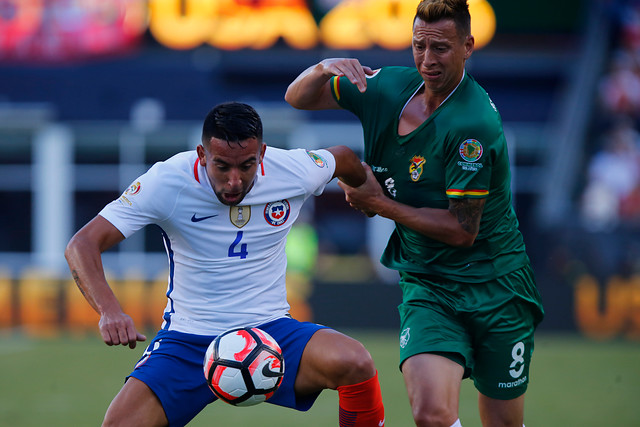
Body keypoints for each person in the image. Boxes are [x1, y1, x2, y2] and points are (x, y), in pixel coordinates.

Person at [285, 1, 544, 426]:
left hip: (498, 287)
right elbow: (297, 98)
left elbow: (463, 231)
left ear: (468, 46)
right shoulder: (385, 89)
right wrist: (321, 67)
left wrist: (379, 204)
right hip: (429, 286)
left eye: (440, 48)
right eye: (419, 46)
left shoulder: (471, 125)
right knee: (431, 416)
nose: (427, 60)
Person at [64, 102, 385, 427]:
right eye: (222, 167)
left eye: (246, 166)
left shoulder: (292, 170)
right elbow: (82, 244)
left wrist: (367, 192)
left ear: (261, 154)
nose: (234, 181)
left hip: (271, 330)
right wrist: (109, 310)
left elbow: (343, 157)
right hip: (188, 339)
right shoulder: (167, 182)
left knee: (354, 362)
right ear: (202, 155)